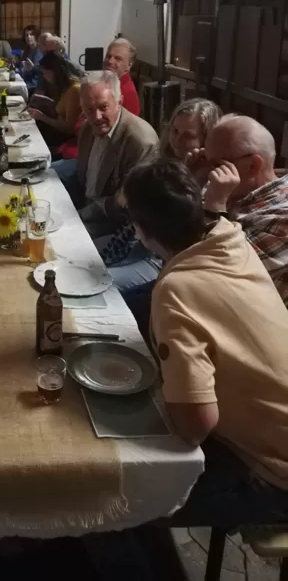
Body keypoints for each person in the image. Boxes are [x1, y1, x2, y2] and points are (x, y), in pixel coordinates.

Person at [123, 160, 288, 528]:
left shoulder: (177, 289)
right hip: (275, 433)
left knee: (113, 500)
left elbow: (196, 425)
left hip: (272, 474)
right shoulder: (230, 238)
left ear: (141, 231)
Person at [103, 99, 221, 298]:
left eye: (188, 135)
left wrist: (190, 181)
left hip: (161, 258)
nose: (177, 140)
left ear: (207, 139)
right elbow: (124, 200)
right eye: (175, 131)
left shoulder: (212, 180)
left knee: (99, 284)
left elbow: (191, 237)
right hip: (136, 241)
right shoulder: (164, 159)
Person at [194, 114, 288, 305]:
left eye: (217, 164)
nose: (209, 171)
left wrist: (215, 207)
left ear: (253, 165)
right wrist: (191, 182)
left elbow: (217, 275)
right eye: (205, 158)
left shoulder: (281, 218)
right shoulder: (227, 185)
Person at [74, 70, 158, 237]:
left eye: (103, 107)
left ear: (119, 102)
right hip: (84, 209)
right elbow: (82, 179)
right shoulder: (86, 129)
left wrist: (80, 216)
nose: (96, 117)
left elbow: (127, 204)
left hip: (116, 226)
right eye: (89, 109)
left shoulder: (141, 142)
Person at [28, 51, 82, 152]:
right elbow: (62, 110)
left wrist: (42, 117)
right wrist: (45, 101)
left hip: (65, 137)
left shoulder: (74, 90)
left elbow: (69, 129)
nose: (44, 76)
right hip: (59, 131)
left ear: (53, 72)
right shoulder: (65, 87)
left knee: (33, 131)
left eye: (45, 73)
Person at [103, 38, 141, 117]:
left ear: (129, 65)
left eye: (118, 59)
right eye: (108, 56)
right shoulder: (108, 83)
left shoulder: (128, 94)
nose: (110, 61)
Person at [19, 24, 43, 92]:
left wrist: (32, 67)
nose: (28, 37)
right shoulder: (27, 49)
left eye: (31, 34)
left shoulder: (39, 50)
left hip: (34, 85)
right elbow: (23, 66)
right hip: (25, 81)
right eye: (26, 35)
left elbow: (41, 70)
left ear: (36, 36)